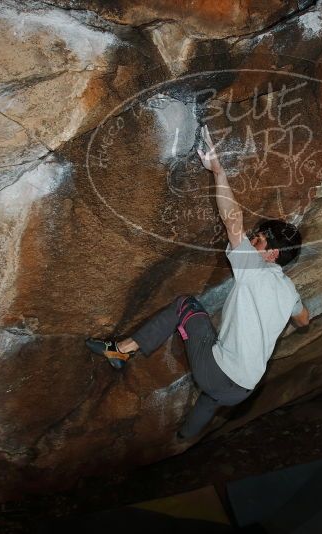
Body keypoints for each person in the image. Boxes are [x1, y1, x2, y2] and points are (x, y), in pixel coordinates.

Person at [86, 125, 310, 439]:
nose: (250, 240)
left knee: (186, 305)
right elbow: (303, 318)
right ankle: (188, 434)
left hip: (217, 373)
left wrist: (218, 170)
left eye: (258, 240)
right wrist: (291, 318)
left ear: (272, 253)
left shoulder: (253, 268)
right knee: (214, 391)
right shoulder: (288, 291)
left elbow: (232, 221)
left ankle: (121, 351)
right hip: (243, 391)